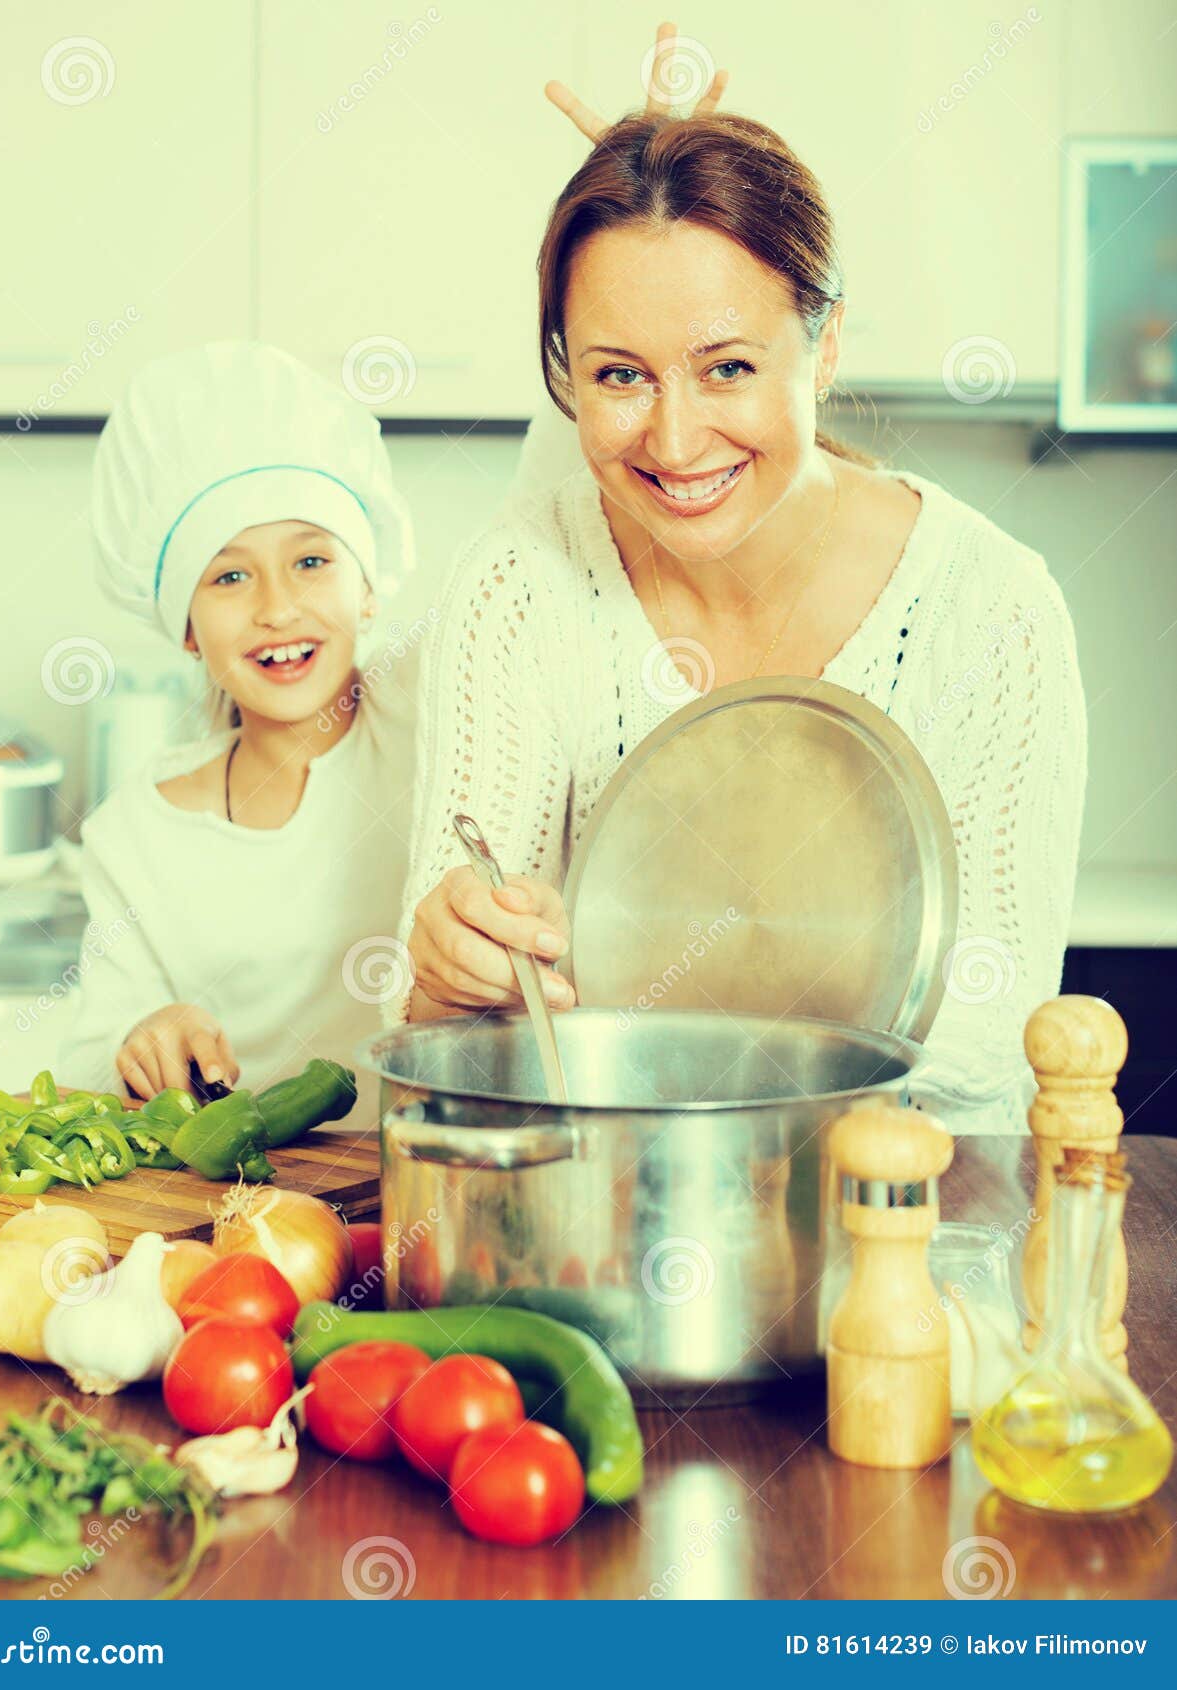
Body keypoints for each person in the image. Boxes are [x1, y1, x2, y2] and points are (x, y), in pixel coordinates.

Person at [392, 102, 1088, 1135]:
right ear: (567, 378)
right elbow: (443, 1058)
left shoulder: (990, 611)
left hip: (906, 1236)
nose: (674, 441)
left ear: (825, 343)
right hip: (600, 1235)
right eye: (619, 375)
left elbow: (981, 1064)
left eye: (728, 367)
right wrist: (455, 982)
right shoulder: (516, 587)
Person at [59, 341, 421, 1135]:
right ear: (186, 630)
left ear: (367, 588)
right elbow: (91, 1052)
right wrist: (140, 1041)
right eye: (228, 576)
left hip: (432, 1176)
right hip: (238, 1211)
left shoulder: (435, 726)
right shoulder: (135, 833)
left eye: (311, 561)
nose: (277, 609)